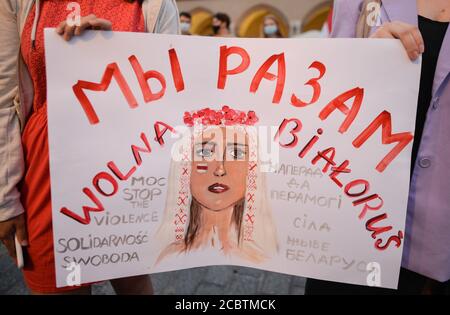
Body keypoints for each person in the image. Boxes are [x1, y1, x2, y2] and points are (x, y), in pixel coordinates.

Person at [0, 0, 179, 295]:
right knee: (59, 283)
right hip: (46, 169)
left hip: (127, 163)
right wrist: (5, 199)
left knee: (132, 278)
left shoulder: (155, 5)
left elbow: (169, 92)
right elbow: (5, 97)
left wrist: (117, 54)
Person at [305, 0, 450, 295]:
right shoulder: (358, 4)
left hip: (437, 234)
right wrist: (366, 57)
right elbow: (318, 92)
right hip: (356, 212)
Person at [155, 106, 278, 265]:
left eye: (237, 154)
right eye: (205, 153)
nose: (220, 169)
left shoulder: (261, 259)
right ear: (186, 165)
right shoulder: (167, 259)